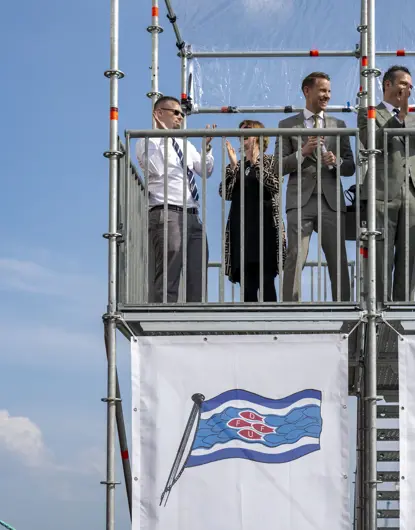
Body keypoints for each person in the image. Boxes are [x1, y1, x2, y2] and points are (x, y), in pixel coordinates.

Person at [274, 71, 355, 302]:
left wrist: (336, 162)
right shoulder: (287, 125)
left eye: (329, 91)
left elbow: (350, 166)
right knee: (295, 256)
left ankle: (344, 311)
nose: (327, 95)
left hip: (332, 201)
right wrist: (302, 152)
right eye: (322, 90)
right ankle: (290, 311)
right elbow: (278, 166)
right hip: (300, 200)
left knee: (337, 258)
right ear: (307, 91)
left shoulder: (339, 125)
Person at [136, 95, 216, 303]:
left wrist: (207, 149)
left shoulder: (185, 144)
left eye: (182, 113)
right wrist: (164, 138)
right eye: (176, 112)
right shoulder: (147, 141)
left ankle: (194, 317)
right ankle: (163, 317)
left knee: (198, 273)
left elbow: (205, 170)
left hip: (192, 214)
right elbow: (156, 169)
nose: (181, 117)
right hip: (168, 212)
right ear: (159, 113)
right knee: (169, 273)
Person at [358, 65, 415, 303]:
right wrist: (399, 116)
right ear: (388, 85)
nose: (408, 89)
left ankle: (403, 312)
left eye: (410, 86)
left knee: (409, 256)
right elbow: (370, 140)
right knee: (380, 255)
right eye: (403, 84)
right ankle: (379, 312)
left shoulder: (413, 117)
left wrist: (406, 115)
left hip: (411, 192)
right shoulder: (370, 112)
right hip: (381, 191)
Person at [219, 120, 286, 301]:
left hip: (265, 229)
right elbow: (224, 193)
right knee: (247, 285)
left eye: (247, 131)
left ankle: (271, 319)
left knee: (266, 282)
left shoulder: (271, 161)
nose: (242, 135)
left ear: (258, 136)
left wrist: (256, 163)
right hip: (241, 231)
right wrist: (234, 167)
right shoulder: (236, 165)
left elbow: (275, 185)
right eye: (240, 132)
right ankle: (249, 321)